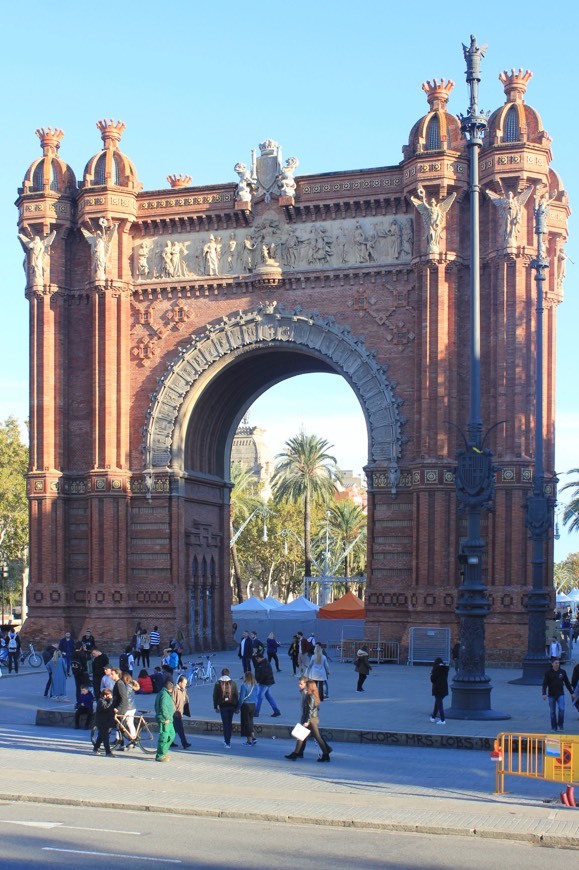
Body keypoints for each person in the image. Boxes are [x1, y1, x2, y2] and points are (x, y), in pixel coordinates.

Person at [286, 680, 332, 762]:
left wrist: (306, 721)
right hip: (312, 719)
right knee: (301, 737)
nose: (305, 686)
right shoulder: (313, 695)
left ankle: (326, 754)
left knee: (317, 738)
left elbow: (309, 710)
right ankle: (296, 753)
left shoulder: (310, 696)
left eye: (306, 685)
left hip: (310, 720)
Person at [542, 659, 574, 732]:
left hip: (560, 694)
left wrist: (571, 692)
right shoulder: (548, 672)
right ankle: (553, 727)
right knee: (552, 712)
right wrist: (544, 693)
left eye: (558, 663)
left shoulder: (562, 672)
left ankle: (560, 724)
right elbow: (545, 684)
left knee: (562, 709)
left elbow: (567, 683)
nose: (557, 664)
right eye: (556, 663)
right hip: (551, 695)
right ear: (552, 664)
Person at [113, 670, 140, 750]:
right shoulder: (131, 684)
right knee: (130, 724)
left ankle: (119, 741)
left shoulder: (124, 685)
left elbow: (123, 697)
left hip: (126, 707)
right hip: (133, 707)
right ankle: (133, 739)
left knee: (120, 724)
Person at [213, 668, 239, 749]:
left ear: (221, 674)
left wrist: (215, 706)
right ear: (228, 674)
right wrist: (237, 707)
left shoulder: (218, 683)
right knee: (230, 723)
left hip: (223, 706)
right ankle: (229, 740)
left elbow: (215, 696)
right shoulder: (233, 683)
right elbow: (236, 695)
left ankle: (227, 742)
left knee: (225, 724)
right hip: (232, 705)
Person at [285, 676, 309, 759]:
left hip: (307, 718)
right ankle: (299, 752)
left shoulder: (306, 693)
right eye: (298, 684)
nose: (299, 685)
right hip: (306, 717)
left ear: (305, 684)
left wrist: (306, 720)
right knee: (308, 737)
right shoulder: (303, 692)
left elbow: (308, 708)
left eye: (301, 684)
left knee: (300, 736)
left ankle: (296, 753)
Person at [253, 653, 281, 718]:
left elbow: (263, 675)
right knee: (268, 696)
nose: (256, 660)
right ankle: (276, 711)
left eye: (257, 659)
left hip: (264, 683)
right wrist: (253, 656)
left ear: (260, 658)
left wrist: (259, 682)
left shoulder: (264, 665)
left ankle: (256, 712)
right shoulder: (263, 663)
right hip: (268, 682)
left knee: (259, 697)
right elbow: (255, 664)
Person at [155, 679, 176, 761]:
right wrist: (166, 718)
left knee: (172, 735)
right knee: (164, 737)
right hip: (165, 719)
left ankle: (164, 752)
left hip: (169, 719)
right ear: (170, 688)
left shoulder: (165, 694)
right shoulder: (164, 694)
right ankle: (160, 755)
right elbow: (163, 707)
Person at [92, 688, 116, 757]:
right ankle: (108, 752)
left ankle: (96, 748)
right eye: (109, 695)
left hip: (105, 721)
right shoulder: (101, 701)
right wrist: (111, 700)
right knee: (105, 736)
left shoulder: (105, 700)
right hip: (101, 721)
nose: (111, 696)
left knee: (101, 736)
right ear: (105, 695)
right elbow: (106, 708)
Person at [237, 671, 257, 746]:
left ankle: (249, 740)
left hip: (246, 706)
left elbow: (241, 699)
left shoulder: (244, 686)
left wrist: (238, 708)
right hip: (253, 705)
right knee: (250, 722)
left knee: (246, 723)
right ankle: (253, 737)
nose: (243, 677)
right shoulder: (255, 685)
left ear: (246, 677)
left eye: (244, 676)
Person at [172, 675, 192, 749]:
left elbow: (185, 699)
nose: (185, 685)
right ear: (180, 683)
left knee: (174, 729)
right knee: (180, 729)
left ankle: (170, 742)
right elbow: (172, 701)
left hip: (180, 712)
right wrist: (174, 712)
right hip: (176, 713)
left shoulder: (183, 690)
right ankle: (184, 743)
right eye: (184, 683)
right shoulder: (175, 690)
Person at [429, 657, 449, 725]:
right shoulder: (445, 669)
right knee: (437, 703)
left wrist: (431, 674)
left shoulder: (436, 670)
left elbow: (432, 679)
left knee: (439, 705)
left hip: (437, 689)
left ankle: (442, 720)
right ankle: (433, 717)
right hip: (444, 689)